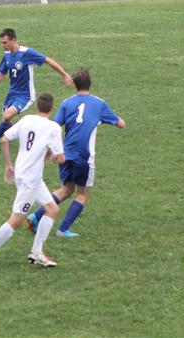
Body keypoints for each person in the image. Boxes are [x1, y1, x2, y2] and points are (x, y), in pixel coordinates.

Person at [27, 68, 125, 238]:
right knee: (83, 193)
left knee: (66, 189)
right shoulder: (99, 103)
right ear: (90, 84)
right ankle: (62, 230)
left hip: (65, 153)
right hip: (84, 156)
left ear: (75, 85)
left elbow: (54, 126)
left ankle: (35, 216)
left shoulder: (67, 103)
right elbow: (121, 124)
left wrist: (49, 150)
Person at [0, 93, 65, 270]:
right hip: (30, 180)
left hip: (26, 174)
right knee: (16, 220)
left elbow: (4, 139)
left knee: (52, 209)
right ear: (52, 108)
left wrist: (8, 166)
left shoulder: (26, 120)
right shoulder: (53, 127)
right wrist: (56, 154)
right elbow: (60, 159)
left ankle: (36, 253)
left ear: (37, 106)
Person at [0, 28, 72, 151]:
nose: (2, 45)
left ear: (13, 40)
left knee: (6, 116)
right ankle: (10, 133)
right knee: (6, 118)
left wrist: (64, 75)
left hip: (25, 95)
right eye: (1, 43)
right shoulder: (7, 55)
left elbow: (48, 60)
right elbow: (2, 72)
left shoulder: (26, 53)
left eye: (5, 43)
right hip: (12, 93)